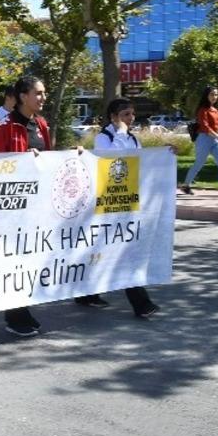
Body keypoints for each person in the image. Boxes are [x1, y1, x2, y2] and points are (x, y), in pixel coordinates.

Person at [0, 75, 53, 337]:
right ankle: (14, 315)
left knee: (28, 259)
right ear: (23, 96)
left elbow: (49, 159)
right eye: (38, 93)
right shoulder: (5, 126)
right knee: (13, 261)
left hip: (34, 204)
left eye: (44, 92)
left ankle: (22, 309)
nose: (43, 97)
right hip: (11, 207)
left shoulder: (41, 124)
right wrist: (21, 160)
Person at [86, 97, 164, 318]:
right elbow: (111, 159)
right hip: (108, 203)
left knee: (114, 249)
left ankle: (87, 293)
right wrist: (120, 133)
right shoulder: (104, 138)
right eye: (125, 115)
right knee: (118, 250)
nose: (130, 118)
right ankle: (141, 303)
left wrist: (165, 153)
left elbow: (142, 162)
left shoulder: (133, 138)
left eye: (132, 114)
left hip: (128, 201)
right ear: (113, 117)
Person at [183, 86, 218, 197]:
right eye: (212, 94)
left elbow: (216, 126)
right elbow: (205, 127)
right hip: (204, 139)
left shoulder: (215, 110)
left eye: (216, 94)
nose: (214, 97)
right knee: (199, 163)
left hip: (216, 139)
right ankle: (186, 185)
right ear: (206, 96)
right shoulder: (202, 110)